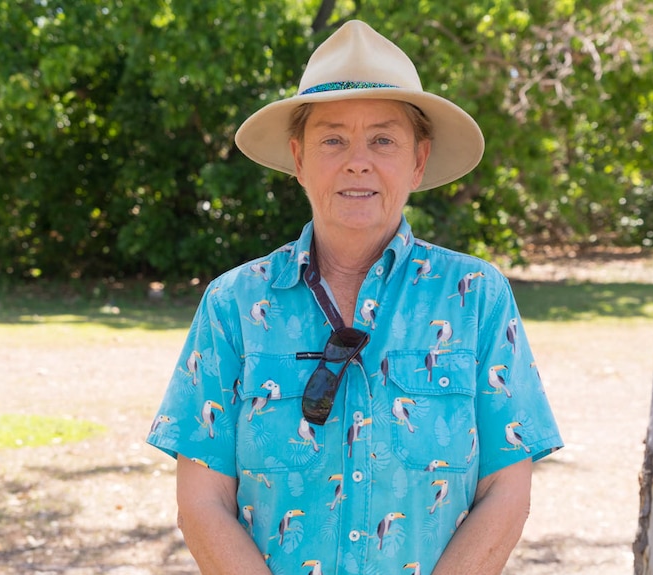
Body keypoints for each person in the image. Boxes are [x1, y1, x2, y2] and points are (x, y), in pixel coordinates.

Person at [147, 20, 562, 574]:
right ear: (298, 159)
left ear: (418, 160)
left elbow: (507, 489)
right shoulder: (234, 305)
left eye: (383, 139)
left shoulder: (477, 298)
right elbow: (202, 500)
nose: (357, 161)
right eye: (333, 139)